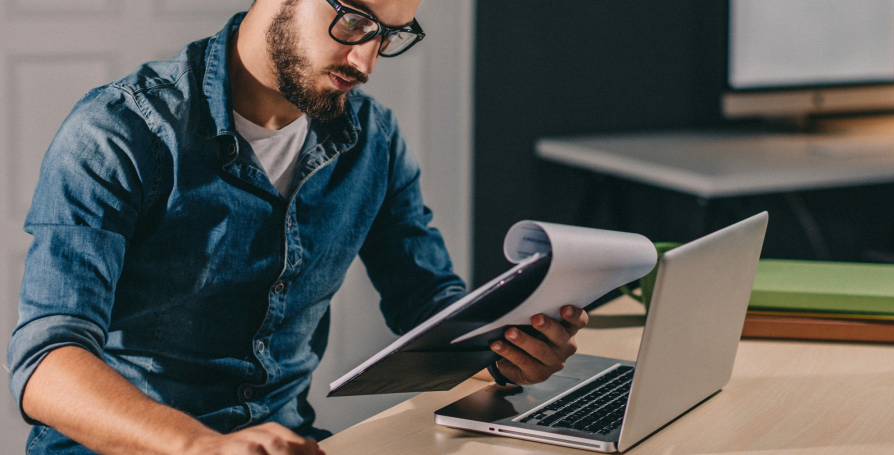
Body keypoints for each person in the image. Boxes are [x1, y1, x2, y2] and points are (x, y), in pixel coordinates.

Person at [6, 0, 589, 454]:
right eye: (356, 22)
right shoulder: (118, 131)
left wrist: (502, 349)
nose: (366, 63)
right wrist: (200, 445)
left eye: (388, 36)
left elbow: (429, 303)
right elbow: (46, 363)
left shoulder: (374, 141)